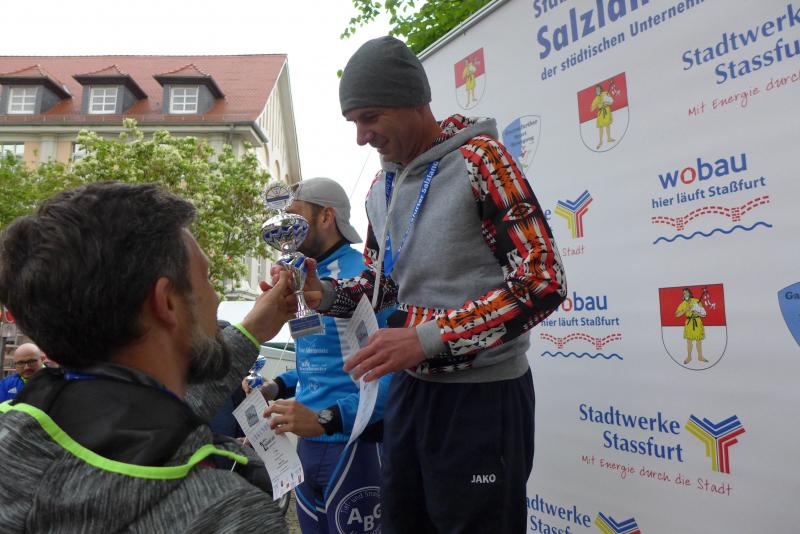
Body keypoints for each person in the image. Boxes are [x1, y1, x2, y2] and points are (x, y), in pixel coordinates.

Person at [297, 36, 567, 533]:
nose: (361, 137)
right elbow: (384, 285)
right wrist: (327, 295)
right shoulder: (381, 186)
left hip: (482, 397)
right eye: (353, 122)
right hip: (410, 393)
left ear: (414, 102)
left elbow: (542, 279)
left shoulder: (481, 160)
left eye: (370, 117)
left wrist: (426, 338)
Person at [0, 182, 296, 533]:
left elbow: (144, 415)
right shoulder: (227, 516)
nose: (216, 298)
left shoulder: (15, 442)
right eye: (206, 278)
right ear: (166, 301)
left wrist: (252, 331)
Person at [254, 177, 393, 534]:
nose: (286, 226)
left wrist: (327, 417)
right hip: (306, 447)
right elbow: (318, 358)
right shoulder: (301, 276)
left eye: (295, 216)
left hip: (353, 445)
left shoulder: (366, 277)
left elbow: (394, 373)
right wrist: (276, 386)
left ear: (326, 216)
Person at [675, 287, 707, 364]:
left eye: (687, 292)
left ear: (690, 293)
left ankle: (700, 357)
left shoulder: (696, 301)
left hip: (697, 322)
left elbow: (704, 314)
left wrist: (696, 313)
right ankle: (689, 357)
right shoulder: (683, 304)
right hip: (689, 324)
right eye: (684, 293)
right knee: (689, 341)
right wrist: (685, 310)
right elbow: (677, 315)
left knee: (698, 341)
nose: (685, 294)